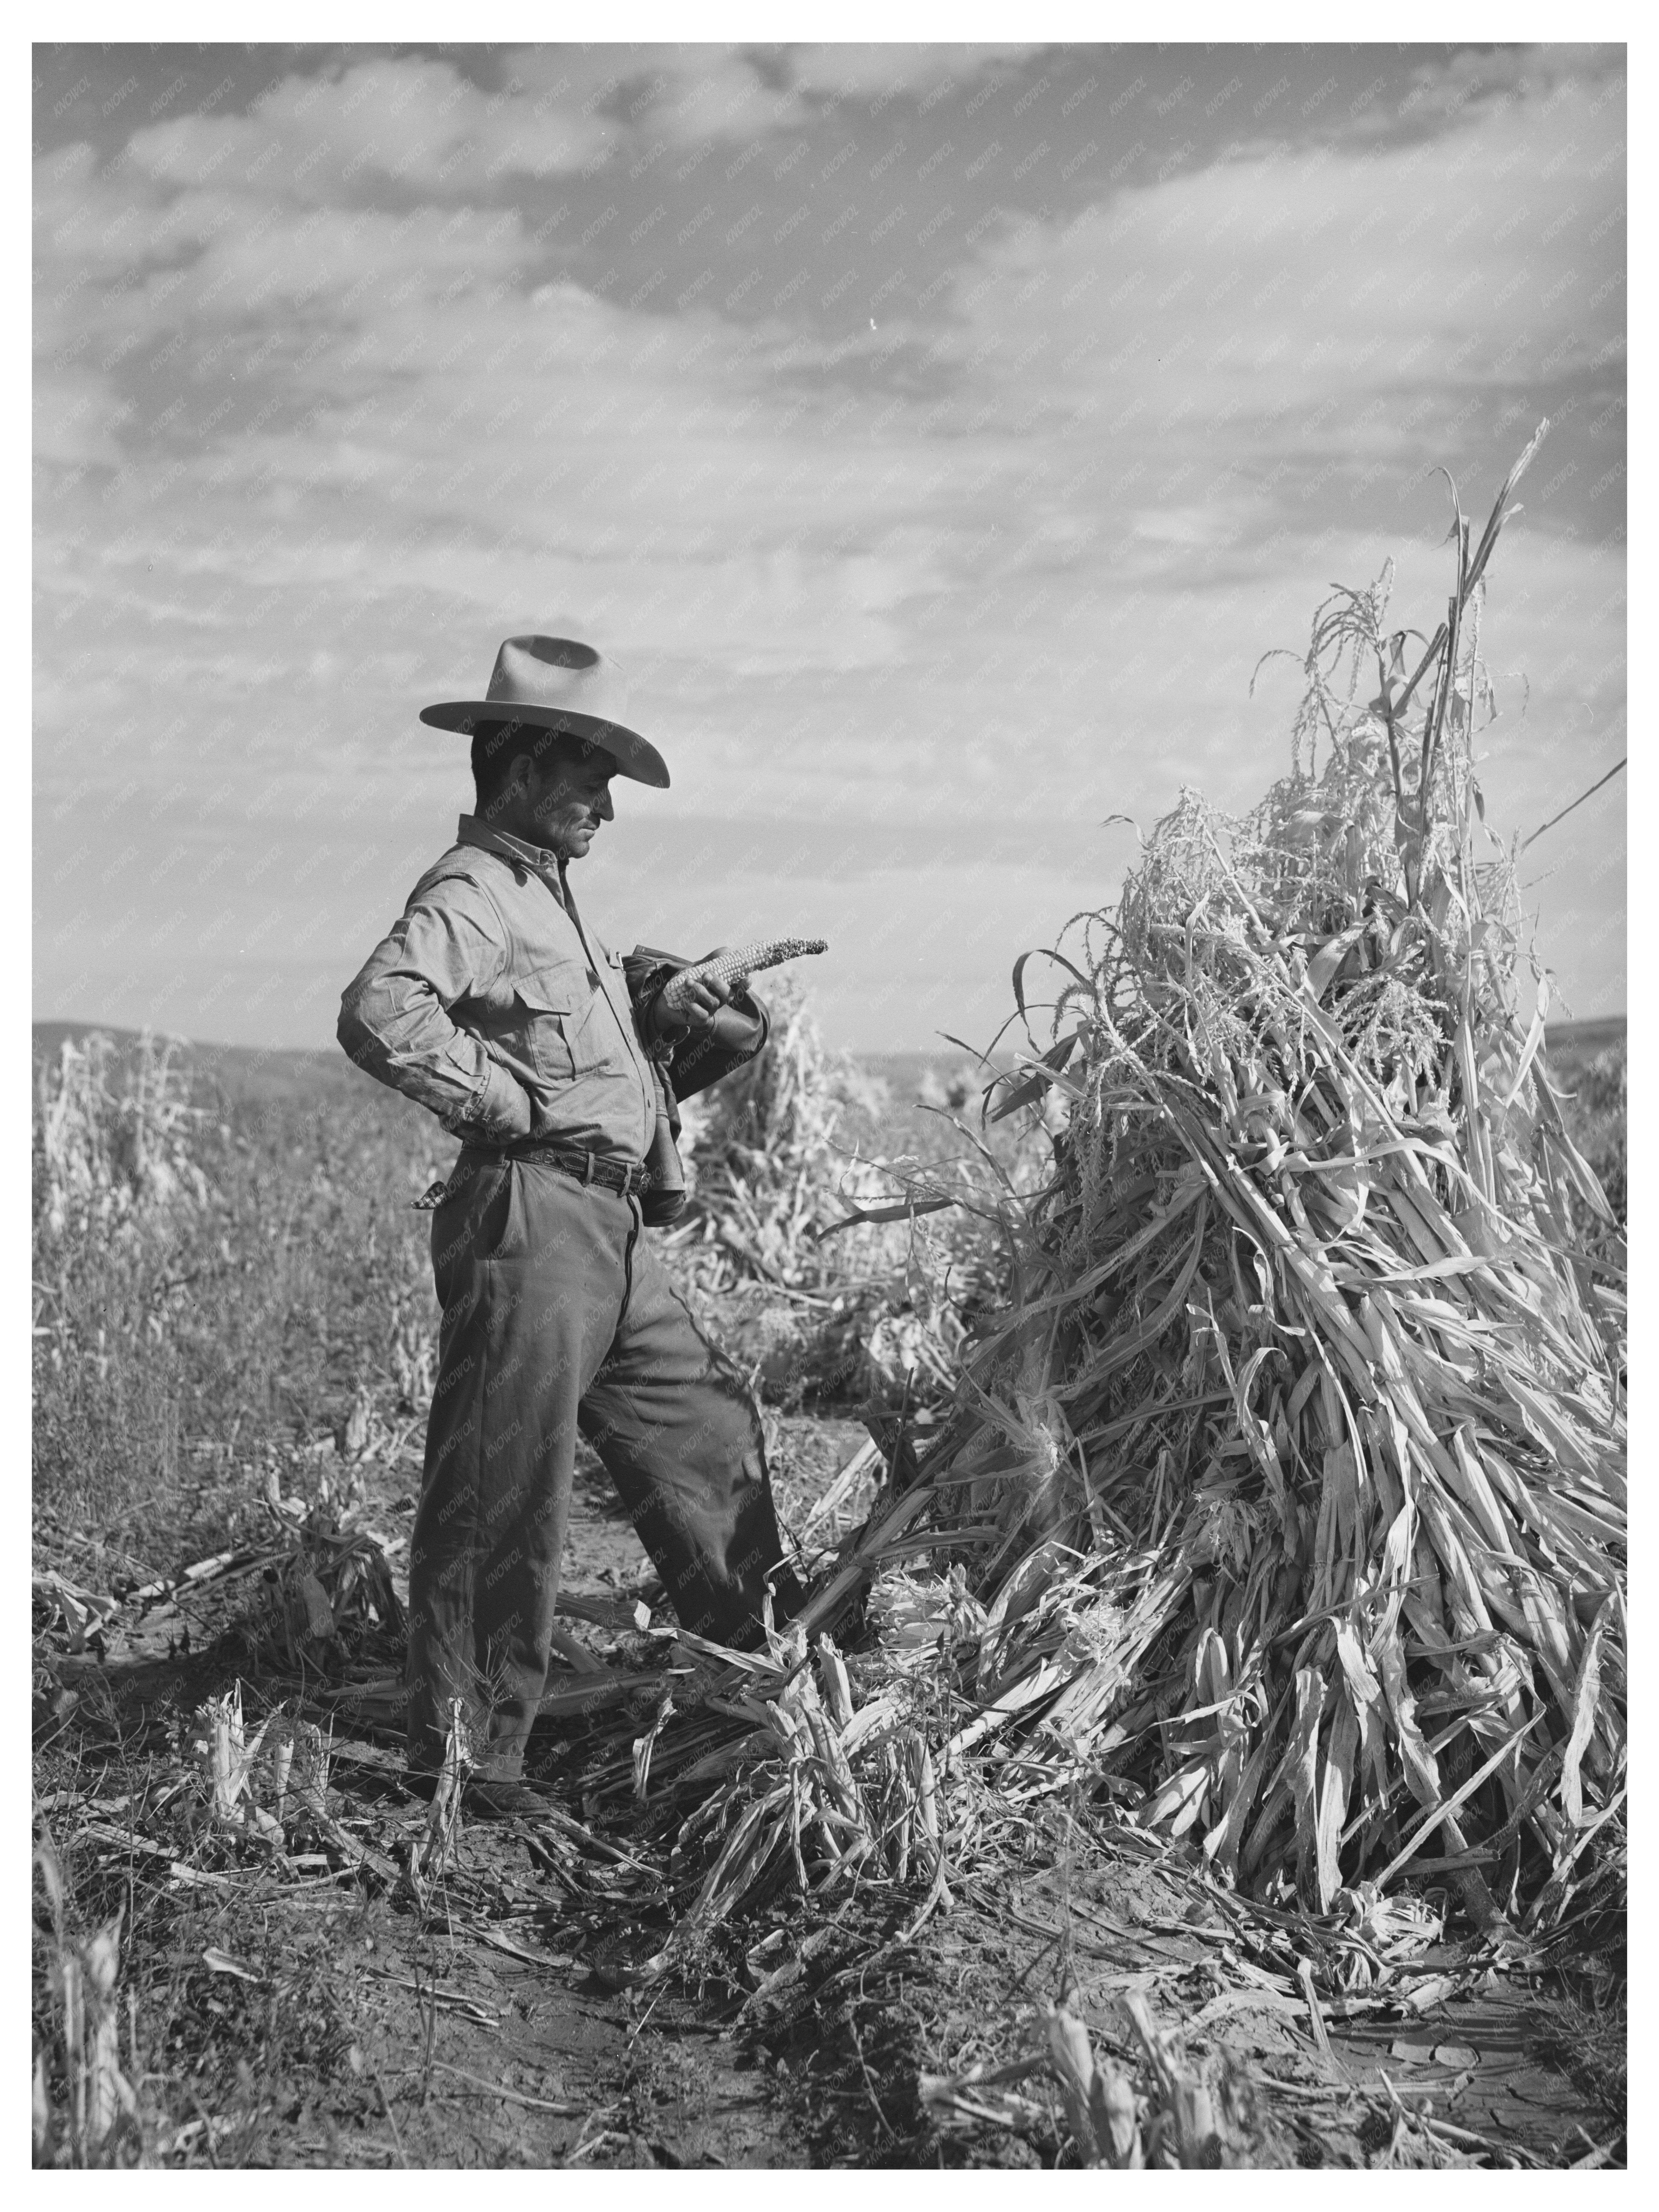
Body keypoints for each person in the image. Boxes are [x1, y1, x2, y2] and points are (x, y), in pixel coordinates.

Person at [338, 633, 804, 1816]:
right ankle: (467, 1761)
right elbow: (382, 1009)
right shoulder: (476, 890)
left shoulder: (556, 902)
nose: (605, 804)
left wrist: (678, 996)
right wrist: (505, 1105)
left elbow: (609, 1044)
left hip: (607, 1227)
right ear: (521, 766)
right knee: (505, 1489)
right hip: (533, 1214)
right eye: (587, 777)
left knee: (703, 1429)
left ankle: (774, 1672)